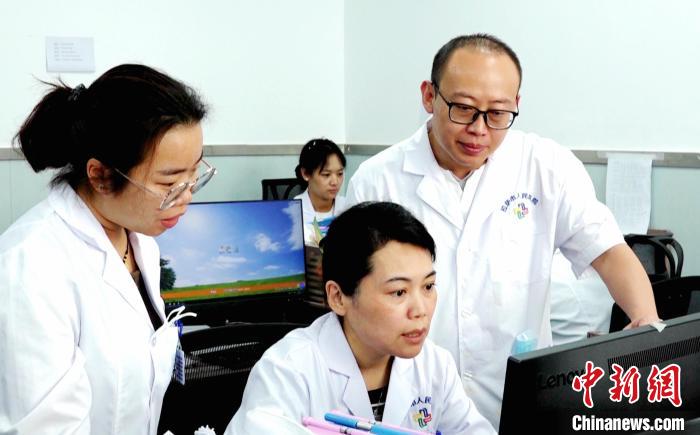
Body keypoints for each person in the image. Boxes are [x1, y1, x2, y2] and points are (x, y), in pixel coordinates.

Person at [345, 33, 659, 428]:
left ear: (516, 104)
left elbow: (609, 252)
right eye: (463, 109)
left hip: (517, 394)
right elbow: (354, 298)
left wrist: (647, 325)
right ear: (429, 96)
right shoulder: (377, 180)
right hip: (411, 399)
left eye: (497, 114)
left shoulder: (546, 166)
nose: (479, 129)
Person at [0, 64, 214, 434]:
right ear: (100, 175)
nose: (186, 196)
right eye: (169, 183)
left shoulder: (139, 241)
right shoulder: (30, 267)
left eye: (194, 174)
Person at [225, 202, 495, 435]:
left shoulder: (435, 366)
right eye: (399, 292)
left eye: (428, 286)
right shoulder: (287, 372)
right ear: (338, 297)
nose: (420, 310)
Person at [294, 138, 347, 246]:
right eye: (326, 175)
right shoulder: (294, 211)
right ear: (305, 173)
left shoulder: (348, 208)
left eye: (340, 174)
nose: (335, 182)